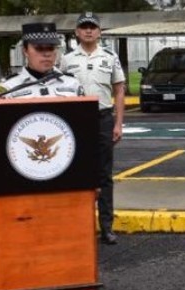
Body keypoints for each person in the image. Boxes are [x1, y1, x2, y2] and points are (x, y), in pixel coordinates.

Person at [60, 12, 126, 245]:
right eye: (84, 27)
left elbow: (119, 89)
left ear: (99, 31)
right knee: (76, 173)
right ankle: (79, 224)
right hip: (75, 120)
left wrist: (118, 123)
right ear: (77, 32)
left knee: (104, 174)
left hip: (102, 118)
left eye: (93, 27)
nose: (88, 31)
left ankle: (106, 227)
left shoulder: (109, 56)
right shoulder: (66, 60)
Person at [0, 23, 83, 98]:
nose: (46, 54)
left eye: (50, 48)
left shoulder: (72, 83)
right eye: (39, 49)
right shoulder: (9, 87)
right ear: (25, 51)